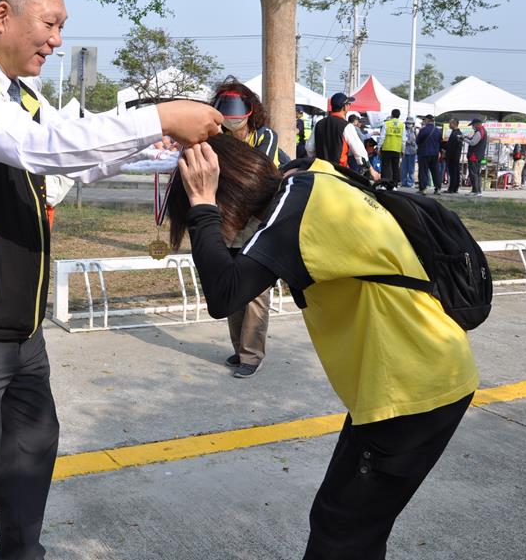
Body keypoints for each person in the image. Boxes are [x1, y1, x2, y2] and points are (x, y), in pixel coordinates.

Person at [0, 0, 222, 560]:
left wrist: (153, 149)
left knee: (29, 461)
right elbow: (40, 147)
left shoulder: (20, 94)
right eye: (50, 23)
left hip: (20, 327)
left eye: (61, 26)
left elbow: (69, 163)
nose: (57, 39)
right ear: (3, 15)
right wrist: (158, 115)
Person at [166, 135, 478, 560]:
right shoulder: (308, 178)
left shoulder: (297, 213)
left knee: (340, 532)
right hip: (410, 380)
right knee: (352, 525)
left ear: (227, 197)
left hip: (412, 391)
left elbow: (224, 294)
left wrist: (201, 203)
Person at [211, 78, 289, 378]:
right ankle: (239, 348)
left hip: (259, 223)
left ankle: (252, 355)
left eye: (237, 114)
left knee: (256, 292)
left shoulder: (265, 137)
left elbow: (255, 174)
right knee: (232, 288)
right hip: (227, 221)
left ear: (250, 112)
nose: (232, 121)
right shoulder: (216, 138)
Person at [306, 93, 379, 180]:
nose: (350, 106)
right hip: (338, 172)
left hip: (320, 171)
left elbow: (309, 148)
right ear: (344, 107)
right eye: (349, 104)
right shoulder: (346, 126)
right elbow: (359, 152)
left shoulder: (319, 124)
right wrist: (371, 170)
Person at [415, 114, 442, 195]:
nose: (424, 121)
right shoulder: (438, 130)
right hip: (435, 153)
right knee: (435, 171)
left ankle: (423, 188)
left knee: (423, 171)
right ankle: (438, 188)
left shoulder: (423, 130)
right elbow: (440, 141)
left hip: (424, 153)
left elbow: (418, 141)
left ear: (427, 120)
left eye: (424, 120)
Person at [379, 108, 404, 185]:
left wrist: (379, 147)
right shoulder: (402, 125)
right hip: (397, 149)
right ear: (399, 115)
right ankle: (394, 185)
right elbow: (404, 140)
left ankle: (384, 184)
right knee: (395, 167)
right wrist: (403, 150)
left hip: (386, 148)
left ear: (391, 115)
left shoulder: (386, 124)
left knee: (385, 167)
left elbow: (382, 137)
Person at [466, 118, 488, 197]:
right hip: (478, 155)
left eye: (473, 125)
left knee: (473, 174)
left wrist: (463, 139)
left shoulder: (479, 132)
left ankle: (475, 191)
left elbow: (473, 143)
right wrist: (468, 138)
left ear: (476, 124)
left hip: (474, 156)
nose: (472, 126)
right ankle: (478, 190)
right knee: (477, 174)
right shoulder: (482, 131)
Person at [442, 118, 464, 194]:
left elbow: (452, 146)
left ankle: (451, 188)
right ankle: (455, 188)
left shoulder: (455, 134)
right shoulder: (458, 133)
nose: (449, 125)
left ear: (454, 124)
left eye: (450, 123)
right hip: (456, 156)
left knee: (453, 173)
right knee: (456, 172)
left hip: (453, 156)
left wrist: (446, 152)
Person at [401, 116, 417, 187]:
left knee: (411, 168)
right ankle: (404, 182)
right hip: (404, 151)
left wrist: (410, 142)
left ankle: (411, 182)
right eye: (407, 123)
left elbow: (416, 141)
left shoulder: (415, 131)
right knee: (404, 168)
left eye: (410, 123)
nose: (409, 124)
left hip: (412, 151)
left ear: (413, 124)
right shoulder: (403, 130)